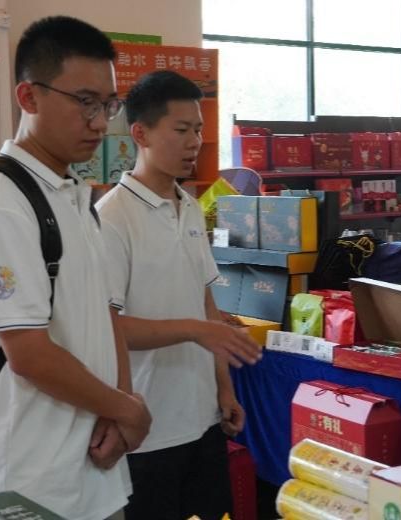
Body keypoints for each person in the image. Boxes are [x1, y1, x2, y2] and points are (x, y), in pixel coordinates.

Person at [0, 16, 151, 520]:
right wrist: (126, 410)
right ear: (29, 96)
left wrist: (121, 404)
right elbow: (29, 355)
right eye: (84, 101)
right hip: (31, 483)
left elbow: (106, 313)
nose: (100, 123)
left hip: (96, 469)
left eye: (108, 104)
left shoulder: (71, 194)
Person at [95, 70, 262, 520]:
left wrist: (224, 389)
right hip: (147, 431)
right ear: (140, 134)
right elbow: (110, 328)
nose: (195, 143)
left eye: (199, 131)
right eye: (182, 130)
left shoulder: (189, 205)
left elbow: (204, 302)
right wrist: (196, 330)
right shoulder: (111, 218)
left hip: (203, 422)